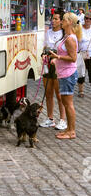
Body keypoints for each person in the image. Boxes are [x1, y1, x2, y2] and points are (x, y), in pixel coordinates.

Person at [49, 12, 82, 140]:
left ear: (69, 22)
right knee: (65, 102)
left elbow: (73, 58)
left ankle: (71, 131)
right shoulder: (66, 36)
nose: (61, 21)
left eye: (63, 19)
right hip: (63, 74)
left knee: (68, 104)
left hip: (68, 74)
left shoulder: (70, 38)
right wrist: (56, 60)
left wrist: (58, 57)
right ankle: (68, 129)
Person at [40, 10, 67, 130]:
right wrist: (43, 55)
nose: (53, 21)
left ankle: (63, 119)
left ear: (61, 21)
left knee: (59, 94)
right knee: (48, 92)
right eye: (53, 18)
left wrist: (56, 58)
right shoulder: (48, 33)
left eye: (56, 19)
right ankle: (50, 118)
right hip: (48, 64)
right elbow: (45, 47)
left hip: (59, 65)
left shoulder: (64, 34)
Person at [77, 12, 91, 97]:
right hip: (81, 54)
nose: (88, 20)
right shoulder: (79, 28)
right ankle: (81, 91)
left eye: (90, 19)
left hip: (90, 54)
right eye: (86, 18)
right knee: (81, 73)